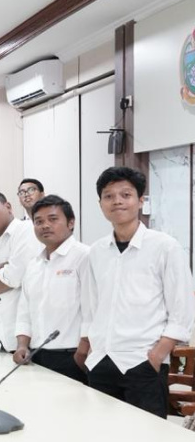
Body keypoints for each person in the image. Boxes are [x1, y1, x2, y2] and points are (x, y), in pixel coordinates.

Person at [80, 167, 195, 418]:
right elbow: (90, 305)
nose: (117, 201)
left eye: (126, 194)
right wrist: (89, 346)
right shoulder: (96, 251)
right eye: (109, 196)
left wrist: (157, 355)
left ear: (140, 200)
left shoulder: (165, 246)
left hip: (142, 362)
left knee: (147, 438)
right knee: (100, 433)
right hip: (101, 361)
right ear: (100, 204)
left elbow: (182, 309)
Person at [13, 195, 89, 384]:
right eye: (38, 221)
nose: (45, 225)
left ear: (71, 223)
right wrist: (22, 345)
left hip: (72, 357)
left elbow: (93, 310)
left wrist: (82, 353)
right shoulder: (34, 264)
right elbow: (24, 311)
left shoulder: (85, 256)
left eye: (53, 219)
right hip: (36, 355)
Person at [0, 191, 43, 353]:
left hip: (29, 338)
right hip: (4, 336)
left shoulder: (26, 230)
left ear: (8, 207)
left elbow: (14, 276)